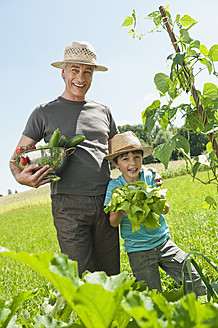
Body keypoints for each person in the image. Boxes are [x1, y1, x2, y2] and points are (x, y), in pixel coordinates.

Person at [9, 41, 161, 278]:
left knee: (110, 273)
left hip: (106, 200)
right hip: (68, 204)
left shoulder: (103, 111)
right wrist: (21, 177)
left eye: (87, 71)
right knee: (80, 275)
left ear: (92, 75)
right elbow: (17, 158)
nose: (81, 77)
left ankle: (110, 315)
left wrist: (146, 177)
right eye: (75, 70)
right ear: (63, 72)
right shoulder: (44, 112)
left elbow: (123, 156)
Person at [104, 131, 206, 296]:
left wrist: (157, 200)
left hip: (163, 243)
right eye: (125, 159)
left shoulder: (150, 177)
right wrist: (120, 209)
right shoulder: (114, 187)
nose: (133, 163)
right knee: (152, 295)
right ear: (116, 164)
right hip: (138, 251)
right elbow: (113, 222)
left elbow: (165, 209)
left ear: (142, 158)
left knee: (192, 275)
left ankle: (204, 308)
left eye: (137, 157)